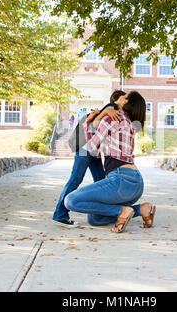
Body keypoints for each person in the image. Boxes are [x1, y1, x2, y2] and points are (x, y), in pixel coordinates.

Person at [64, 91, 156, 233]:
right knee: (95, 219)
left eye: (125, 97)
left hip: (120, 180)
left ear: (125, 102)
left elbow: (91, 147)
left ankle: (122, 211)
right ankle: (141, 209)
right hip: (137, 184)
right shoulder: (131, 125)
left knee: (71, 201)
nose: (121, 98)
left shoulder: (111, 119)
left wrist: (96, 117)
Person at [52, 90, 126, 228]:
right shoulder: (112, 107)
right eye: (124, 98)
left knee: (101, 182)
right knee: (75, 180)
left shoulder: (112, 110)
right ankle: (60, 215)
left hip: (94, 152)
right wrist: (105, 113)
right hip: (86, 149)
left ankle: (104, 214)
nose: (126, 100)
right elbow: (94, 125)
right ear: (116, 99)